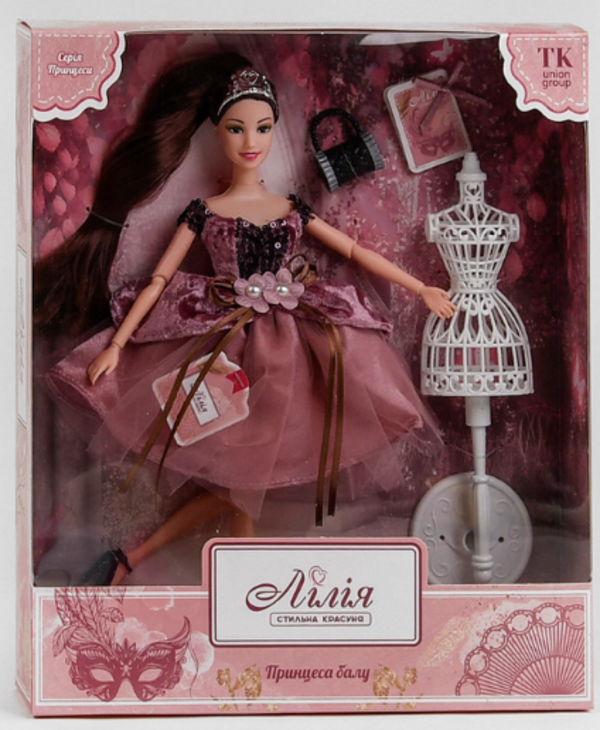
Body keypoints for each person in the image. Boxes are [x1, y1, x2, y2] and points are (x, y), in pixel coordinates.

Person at [36, 53, 456, 585]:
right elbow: (160, 280)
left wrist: (420, 287)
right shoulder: (204, 212)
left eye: (261, 127)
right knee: (237, 484)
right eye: (236, 128)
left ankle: (147, 564)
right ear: (218, 132)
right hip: (221, 345)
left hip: (293, 349)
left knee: (243, 485)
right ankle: (174, 567)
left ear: (275, 129)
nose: (249, 140)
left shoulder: (292, 209)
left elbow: (352, 249)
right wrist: (118, 345)